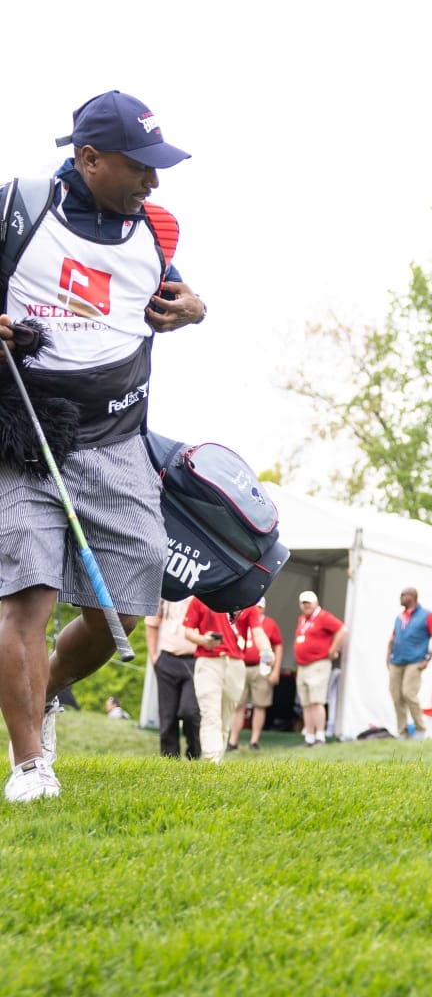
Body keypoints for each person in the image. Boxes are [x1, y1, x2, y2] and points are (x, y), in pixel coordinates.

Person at [0, 92, 205, 803]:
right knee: (28, 593)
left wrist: (195, 309)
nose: (153, 180)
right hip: (26, 431)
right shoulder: (16, 209)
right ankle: (30, 769)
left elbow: (176, 295)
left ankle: (45, 687)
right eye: (139, 166)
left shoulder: (158, 227)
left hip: (118, 437)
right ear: (89, 159)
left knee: (127, 600)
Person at [182, 597, 273, 763]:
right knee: (210, 713)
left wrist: (266, 651)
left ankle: (217, 759)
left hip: (236, 664)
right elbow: (188, 631)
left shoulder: (248, 602)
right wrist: (203, 640)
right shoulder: (202, 597)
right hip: (208, 661)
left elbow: (257, 632)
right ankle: (212, 760)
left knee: (226, 715)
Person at [145, 594, 202, 759]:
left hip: (194, 660)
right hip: (167, 658)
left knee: (190, 712)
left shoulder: (202, 590)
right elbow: (151, 623)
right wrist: (153, 656)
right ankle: (169, 759)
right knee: (167, 714)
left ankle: (194, 753)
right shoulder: (168, 590)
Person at [386, 585, 432, 738]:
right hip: (396, 660)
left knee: (409, 693)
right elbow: (392, 638)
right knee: (396, 696)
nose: (401, 597)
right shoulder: (399, 617)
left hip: (415, 660)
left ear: (412, 597)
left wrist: (428, 659)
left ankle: (420, 728)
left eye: (404, 594)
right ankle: (402, 731)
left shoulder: (426, 615)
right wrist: (388, 657)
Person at [228, 598, 282, 752]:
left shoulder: (270, 623)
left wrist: (276, 669)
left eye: (260, 607)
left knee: (260, 704)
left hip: (261, 667)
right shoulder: (240, 618)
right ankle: (233, 741)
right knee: (238, 704)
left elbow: (278, 644)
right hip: (242, 664)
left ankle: (254, 741)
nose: (257, 610)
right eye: (255, 607)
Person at [294, 590, 346, 746]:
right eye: (303, 603)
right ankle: (309, 737)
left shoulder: (322, 616)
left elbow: (342, 630)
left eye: (308, 603)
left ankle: (320, 736)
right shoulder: (302, 619)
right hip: (303, 665)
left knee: (317, 701)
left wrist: (333, 649)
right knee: (306, 703)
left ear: (315, 603)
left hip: (318, 664)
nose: (305, 606)